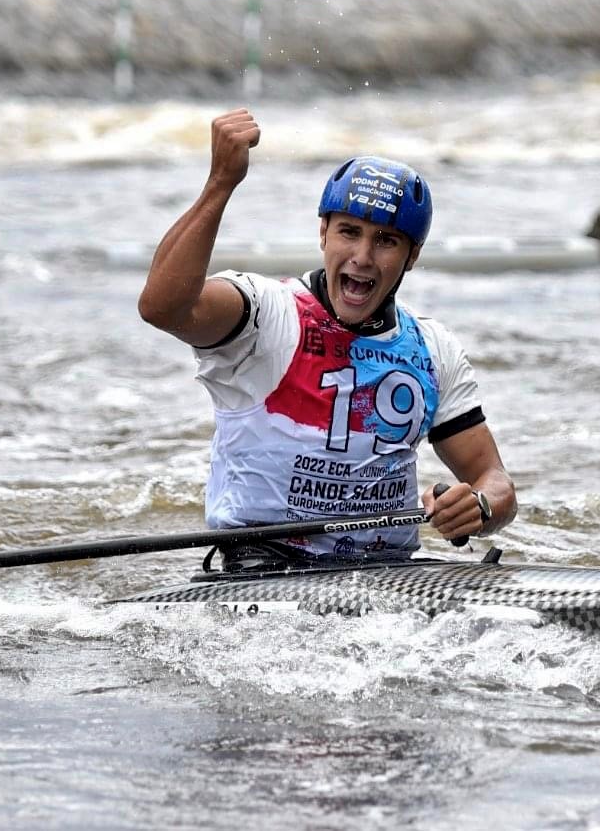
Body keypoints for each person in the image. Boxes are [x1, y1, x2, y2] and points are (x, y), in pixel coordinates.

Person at [137, 110, 516, 568]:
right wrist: (221, 182)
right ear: (323, 232)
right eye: (349, 233)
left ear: (412, 256)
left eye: (386, 241)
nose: (361, 258)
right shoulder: (265, 313)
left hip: (393, 575)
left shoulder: (433, 349)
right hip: (266, 568)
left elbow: (493, 479)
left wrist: (479, 505)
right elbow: (162, 307)